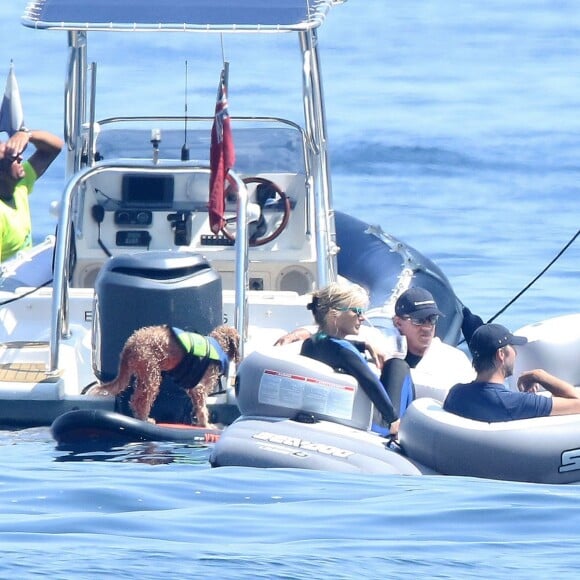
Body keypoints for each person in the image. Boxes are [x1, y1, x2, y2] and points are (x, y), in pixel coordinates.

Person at [276, 287, 475, 395]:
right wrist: (301, 333)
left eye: (432, 320)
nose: (427, 327)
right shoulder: (381, 340)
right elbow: (332, 331)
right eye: (418, 320)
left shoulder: (453, 359)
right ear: (398, 322)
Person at [298, 282, 415, 437]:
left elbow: (331, 347)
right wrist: (392, 420)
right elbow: (371, 384)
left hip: (334, 416)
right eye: (357, 311)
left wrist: (364, 345)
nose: (362, 317)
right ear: (334, 315)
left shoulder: (311, 344)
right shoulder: (345, 352)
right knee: (397, 365)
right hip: (375, 425)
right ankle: (407, 426)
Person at [443, 323, 580, 422]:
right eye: (513, 347)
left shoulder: (456, 394)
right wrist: (539, 375)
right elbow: (577, 403)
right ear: (501, 354)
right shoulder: (516, 403)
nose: (516, 353)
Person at [0, 128, 63, 262]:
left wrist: (27, 135)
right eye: (12, 157)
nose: (20, 157)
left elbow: (54, 148)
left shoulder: (20, 186)